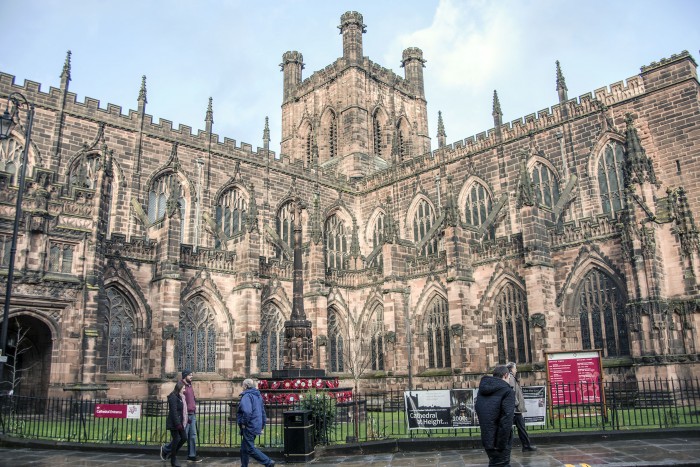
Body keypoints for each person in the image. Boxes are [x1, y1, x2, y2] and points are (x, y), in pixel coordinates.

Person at [475, 365, 515, 467]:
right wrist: (501, 444)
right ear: (505, 375)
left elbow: (479, 410)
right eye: (509, 377)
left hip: (487, 438)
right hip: (500, 441)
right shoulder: (508, 391)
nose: (510, 380)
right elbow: (507, 419)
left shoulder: (483, 390)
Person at [161, 370, 203, 463]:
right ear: (185, 376)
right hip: (185, 416)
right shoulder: (180, 386)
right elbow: (175, 397)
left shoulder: (190, 385)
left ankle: (191, 455)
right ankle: (166, 449)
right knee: (181, 437)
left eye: (192, 374)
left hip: (192, 414)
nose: (192, 376)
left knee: (192, 435)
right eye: (190, 375)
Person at [237, 378, 275, 467]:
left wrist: (243, 423)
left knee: (250, 448)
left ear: (246, 386)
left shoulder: (247, 396)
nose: (242, 387)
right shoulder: (258, 395)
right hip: (256, 425)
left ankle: (268, 462)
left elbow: (247, 411)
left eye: (243, 385)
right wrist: (262, 424)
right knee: (244, 448)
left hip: (249, 426)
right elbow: (262, 412)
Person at [507, 362, 537, 452]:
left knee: (521, 428)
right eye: (515, 368)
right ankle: (525, 446)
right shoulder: (511, 378)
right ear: (511, 369)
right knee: (510, 429)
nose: (516, 370)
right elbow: (511, 392)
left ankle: (526, 446)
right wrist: (516, 403)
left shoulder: (512, 378)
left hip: (516, 410)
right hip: (515, 410)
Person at [165, 381, 188, 467]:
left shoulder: (180, 397)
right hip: (174, 423)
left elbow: (182, 411)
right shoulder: (173, 397)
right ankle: (173, 460)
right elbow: (174, 412)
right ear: (179, 388)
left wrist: (187, 419)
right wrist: (178, 424)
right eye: (184, 388)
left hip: (180, 422)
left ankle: (171, 453)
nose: (185, 390)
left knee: (184, 438)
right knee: (177, 439)